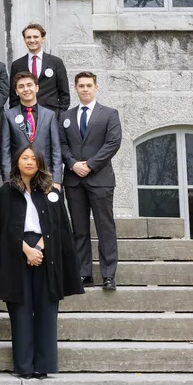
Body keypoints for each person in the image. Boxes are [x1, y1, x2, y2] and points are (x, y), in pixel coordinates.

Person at [0, 145, 83, 379]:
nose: (29, 162)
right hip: (16, 252)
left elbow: (59, 225)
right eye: (25, 157)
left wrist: (39, 248)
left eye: (34, 158)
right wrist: (26, 250)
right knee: (20, 310)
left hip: (46, 251)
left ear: (40, 162)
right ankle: (23, 366)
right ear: (16, 162)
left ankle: (43, 365)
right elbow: (2, 227)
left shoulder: (51, 191)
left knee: (46, 309)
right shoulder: (5, 192)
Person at [59, 72, 122, 291]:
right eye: (81, 86)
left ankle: (108, 275)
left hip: (100, 179)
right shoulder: (65, 116)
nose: (85, 89)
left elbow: (113, 143)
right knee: (79, 230)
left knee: (105, 228)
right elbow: (61, 144)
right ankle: (83, 273)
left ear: (96, 87)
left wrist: (90, 164)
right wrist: (73, 164)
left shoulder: (109, 114)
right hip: (74, 180)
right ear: (75, 88)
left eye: (89, 85)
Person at [1, 72, 63, 183]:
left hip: (45, 175)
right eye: (21, 86)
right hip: (18, 176)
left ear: (37, 88)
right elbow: (5, 151)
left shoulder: (50, 115)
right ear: (16, 92)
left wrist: (57, 180)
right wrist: (7, 180)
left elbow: (56, 150)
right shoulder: (8, 116)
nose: (26, 89)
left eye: (29, 85)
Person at [9, 23, 70, 114]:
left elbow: (64, 93)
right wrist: (17, 116)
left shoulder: (56, 62)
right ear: (24, 40)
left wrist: (59, 115)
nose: (32, 40)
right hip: (26, 114)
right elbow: (13, 95)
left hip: (52, 114)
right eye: (28, 37)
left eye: (35, 37)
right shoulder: (17, 65)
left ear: (42, 38)